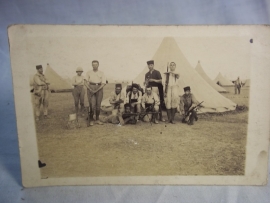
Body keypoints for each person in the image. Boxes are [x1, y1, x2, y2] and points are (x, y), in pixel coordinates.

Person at [85, 60, 106, 126]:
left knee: (98, 105)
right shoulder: (89, 73)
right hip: (91, 87)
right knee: (92, 105)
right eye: (93, 65)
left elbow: (103, 83)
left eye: (96, 65)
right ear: (92, 65)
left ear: (98, 65)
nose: (95, 66)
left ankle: (97, 119)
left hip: (99, 88)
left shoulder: (101, 73)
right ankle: (91, 120)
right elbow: (85, 82)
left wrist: (97, 90)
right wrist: (90, 89)